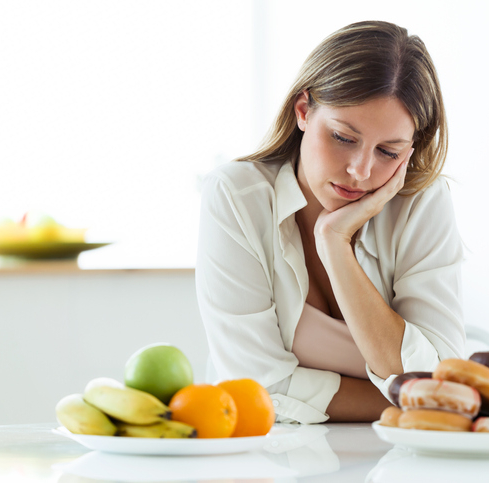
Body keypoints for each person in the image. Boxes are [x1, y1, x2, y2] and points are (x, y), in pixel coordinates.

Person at [196, 20, 466, 424]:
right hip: (267, 454)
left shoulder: (422, 202)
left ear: (411, 150)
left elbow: (439, 376)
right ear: (303, 110)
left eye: (389, 152)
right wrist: (403, 405)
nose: (360, 170)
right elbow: (256, 386)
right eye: (343, 137)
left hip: (398, 457)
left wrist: (334, 242)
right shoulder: (237, 196)